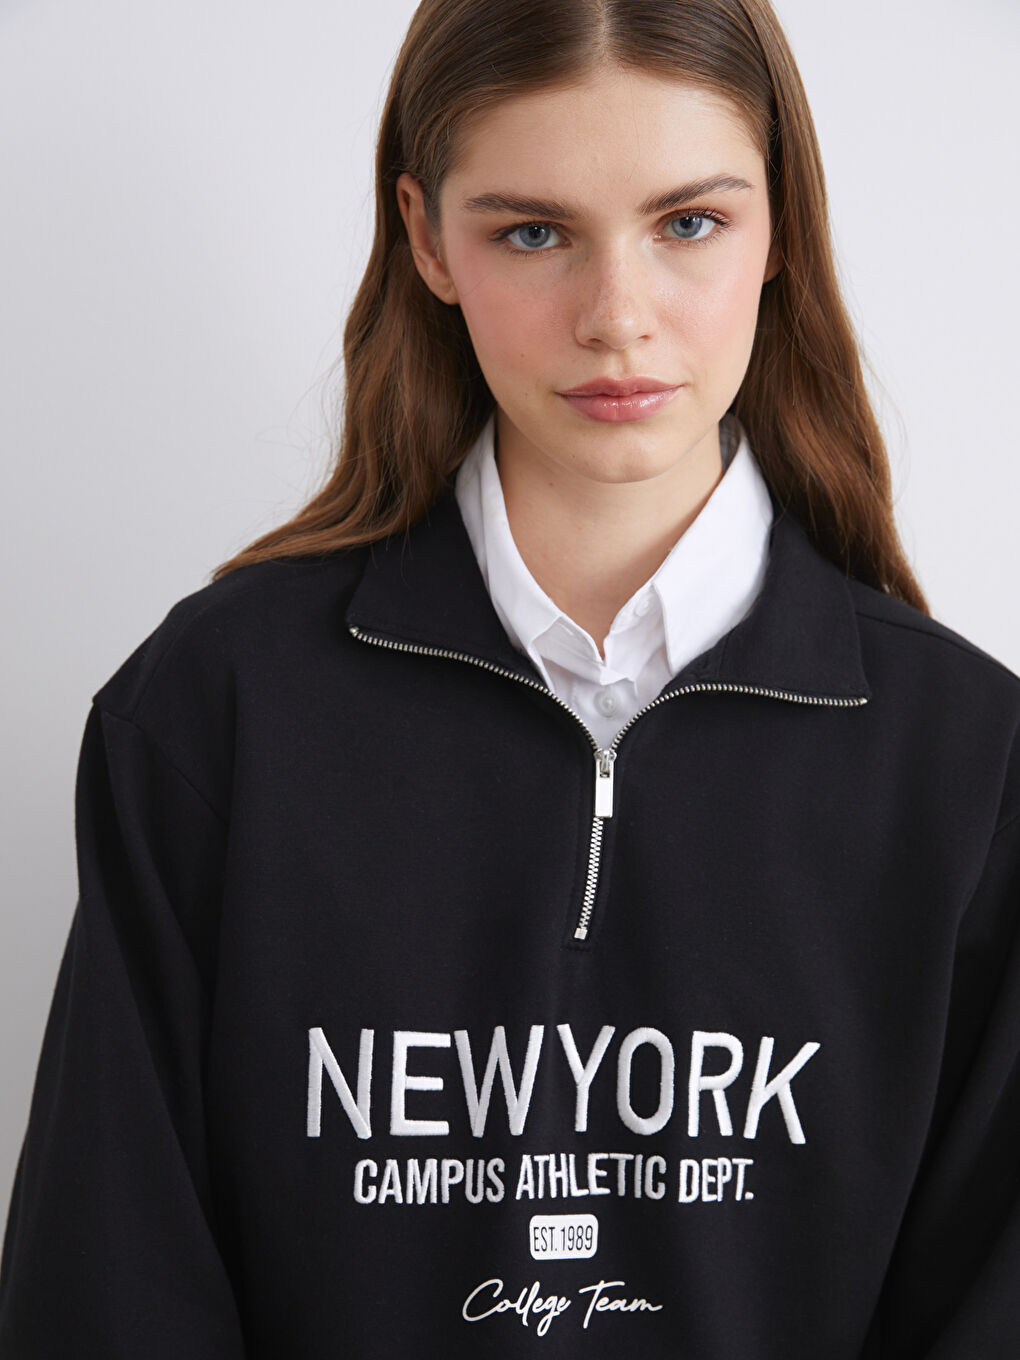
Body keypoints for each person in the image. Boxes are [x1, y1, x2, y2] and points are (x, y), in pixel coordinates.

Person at [1, 0, 1018, 1355]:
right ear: (427, 238)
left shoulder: (970, 764)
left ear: (780, 226)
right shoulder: (212, 713)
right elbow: (104, 1289)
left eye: (689, 223)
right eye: (533, 233)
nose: (617, 319)